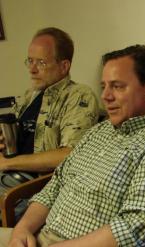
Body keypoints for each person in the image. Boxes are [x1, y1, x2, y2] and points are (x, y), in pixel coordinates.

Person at [0, 44, 145, 246]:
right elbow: (57, 184)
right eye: (104, 86)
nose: (105, 96)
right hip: (41, 236)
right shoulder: (102, 130)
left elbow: (132, 230)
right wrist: (22, 229)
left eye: (117, 86)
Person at [0, 27, 99, 188]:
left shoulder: (79, 95)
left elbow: (68, 155)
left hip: (35, 186)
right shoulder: (29, 95)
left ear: (64, 66)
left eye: (41, 62)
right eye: (30, 61)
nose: (32, 69)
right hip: (10, 175)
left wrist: (8, 163)